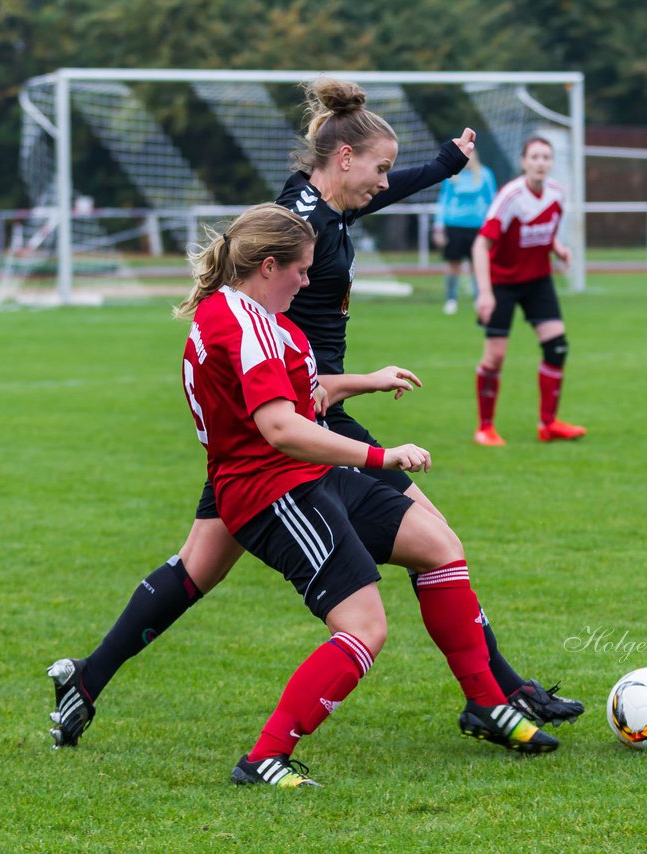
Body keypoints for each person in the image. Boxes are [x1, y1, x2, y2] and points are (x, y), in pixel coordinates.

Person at [47, 79, 583, 751]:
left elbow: (369, 197)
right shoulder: (300, 229)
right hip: (299, 419)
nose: (383, 183)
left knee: (196, 571)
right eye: (379, 168)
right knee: (433, 545)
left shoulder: (314, 207)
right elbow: (268, 347)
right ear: (345, 159)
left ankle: (86, 679)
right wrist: (355, 408)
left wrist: (443, 165)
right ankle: (497, 696)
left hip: (290, 416)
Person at [191, 204, 558, 786]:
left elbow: (307, 396)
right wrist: (381, 457)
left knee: (438, 545)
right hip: (271, 491)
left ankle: (486, 703)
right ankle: (263, 759)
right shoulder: (246, 326)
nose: (308, 282)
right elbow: (282, 427)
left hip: (304, 475)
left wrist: (369, 379)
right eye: (302, 271)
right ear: (267, 266)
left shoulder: (255, 318)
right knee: (364, 628)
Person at [471, 134, 586, 446]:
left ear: (551, 164)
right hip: (502, 283)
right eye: (534, 157)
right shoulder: (510, 197)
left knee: (557, 348)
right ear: (524, 162)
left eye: (546, 158)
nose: (540, 163)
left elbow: (543, 232)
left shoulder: (557, 195)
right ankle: (485, 428)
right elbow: (482, 245)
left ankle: (548, 424)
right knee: (494, 359)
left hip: (537, 280)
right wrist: (485, 292)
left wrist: (558, 249)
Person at [432, 149, 496, 315]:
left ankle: (479, 298)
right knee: (454, 265)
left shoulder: (485, 175)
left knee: (478, 265)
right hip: (454, 226)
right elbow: (444, 201)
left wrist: (493, 226)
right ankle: (451, 299)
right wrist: (439, 227)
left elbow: (493, 201)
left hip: (477, 227)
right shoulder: (453, 176)